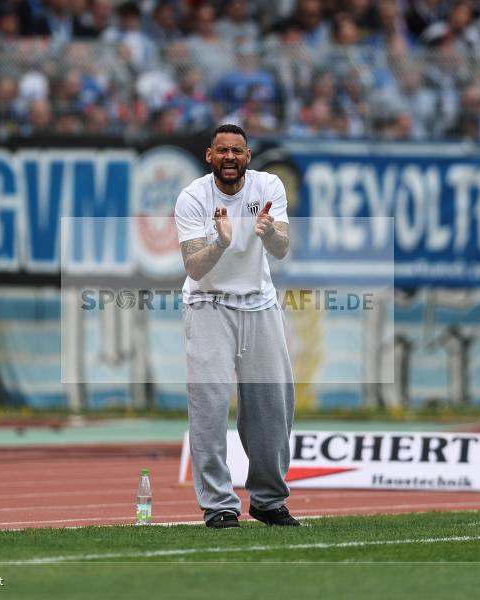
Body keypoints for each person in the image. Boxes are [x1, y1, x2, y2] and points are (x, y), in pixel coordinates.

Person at [174, 124, 299, 529]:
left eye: (237, 151)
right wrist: (221, 243)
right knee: (209, 407)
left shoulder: (268, 186)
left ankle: (268, 500)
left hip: (259, 303)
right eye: (222, 150)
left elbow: (282, 248)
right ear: (209, 156)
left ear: (248, 156)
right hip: (208, 304)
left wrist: (269, 232)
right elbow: (194, 267)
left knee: (272, 407)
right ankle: (219, 505)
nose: (230, 157)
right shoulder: (193, 197)